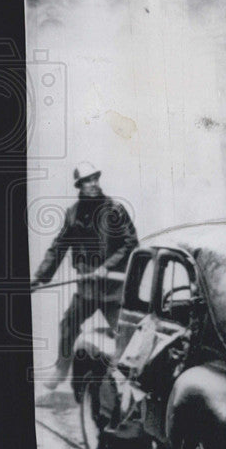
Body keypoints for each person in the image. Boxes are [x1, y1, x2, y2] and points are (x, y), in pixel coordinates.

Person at [30, 163, 139, 388]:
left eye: (95, 179)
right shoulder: (73, 214)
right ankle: (61, 368)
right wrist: (40, 277)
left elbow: (131, 243)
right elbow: (59, 247)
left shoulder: (115, 209)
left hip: (113, 291)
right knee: (68, 325)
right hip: (87, 289)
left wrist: (107, 266)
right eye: (87, 181)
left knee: (126, 335)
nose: (93, 184)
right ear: (79, 185)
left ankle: (125, 383)